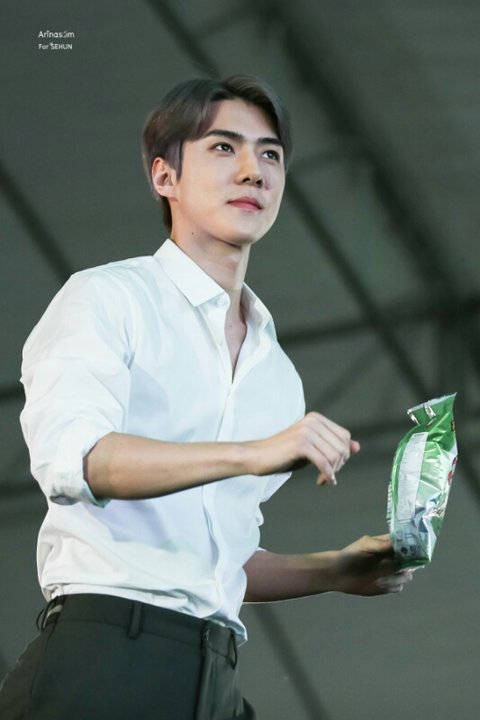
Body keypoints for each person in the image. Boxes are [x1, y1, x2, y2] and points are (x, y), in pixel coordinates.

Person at [0, 75, 411, 720]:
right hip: (105, 654)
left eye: (270, 154)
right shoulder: (108, 298)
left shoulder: (276, 374)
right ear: (164, 176)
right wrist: (252, 452)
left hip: (214, 671)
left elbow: (219, 559)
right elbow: (80, 460)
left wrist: (332, 571)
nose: (253, 170)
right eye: (224, 147)